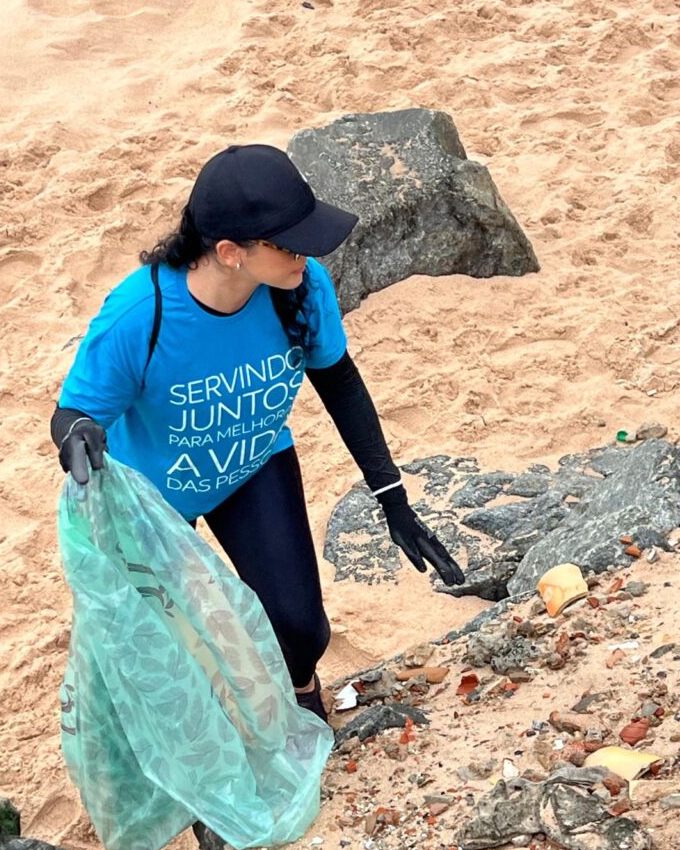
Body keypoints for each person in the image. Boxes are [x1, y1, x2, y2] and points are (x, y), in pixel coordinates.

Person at [51, 144, 465, 726]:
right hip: (153, 499)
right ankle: (203, 779)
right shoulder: (140, 316)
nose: (308, 251)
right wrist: (78, 437)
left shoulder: (301, 286)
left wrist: (391, 496)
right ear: (230, 253)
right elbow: (72, 413)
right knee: (173, 652)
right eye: (289, 242)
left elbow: (339, 383)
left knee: (301, 628)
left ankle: (297, 700)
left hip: (251, 464)